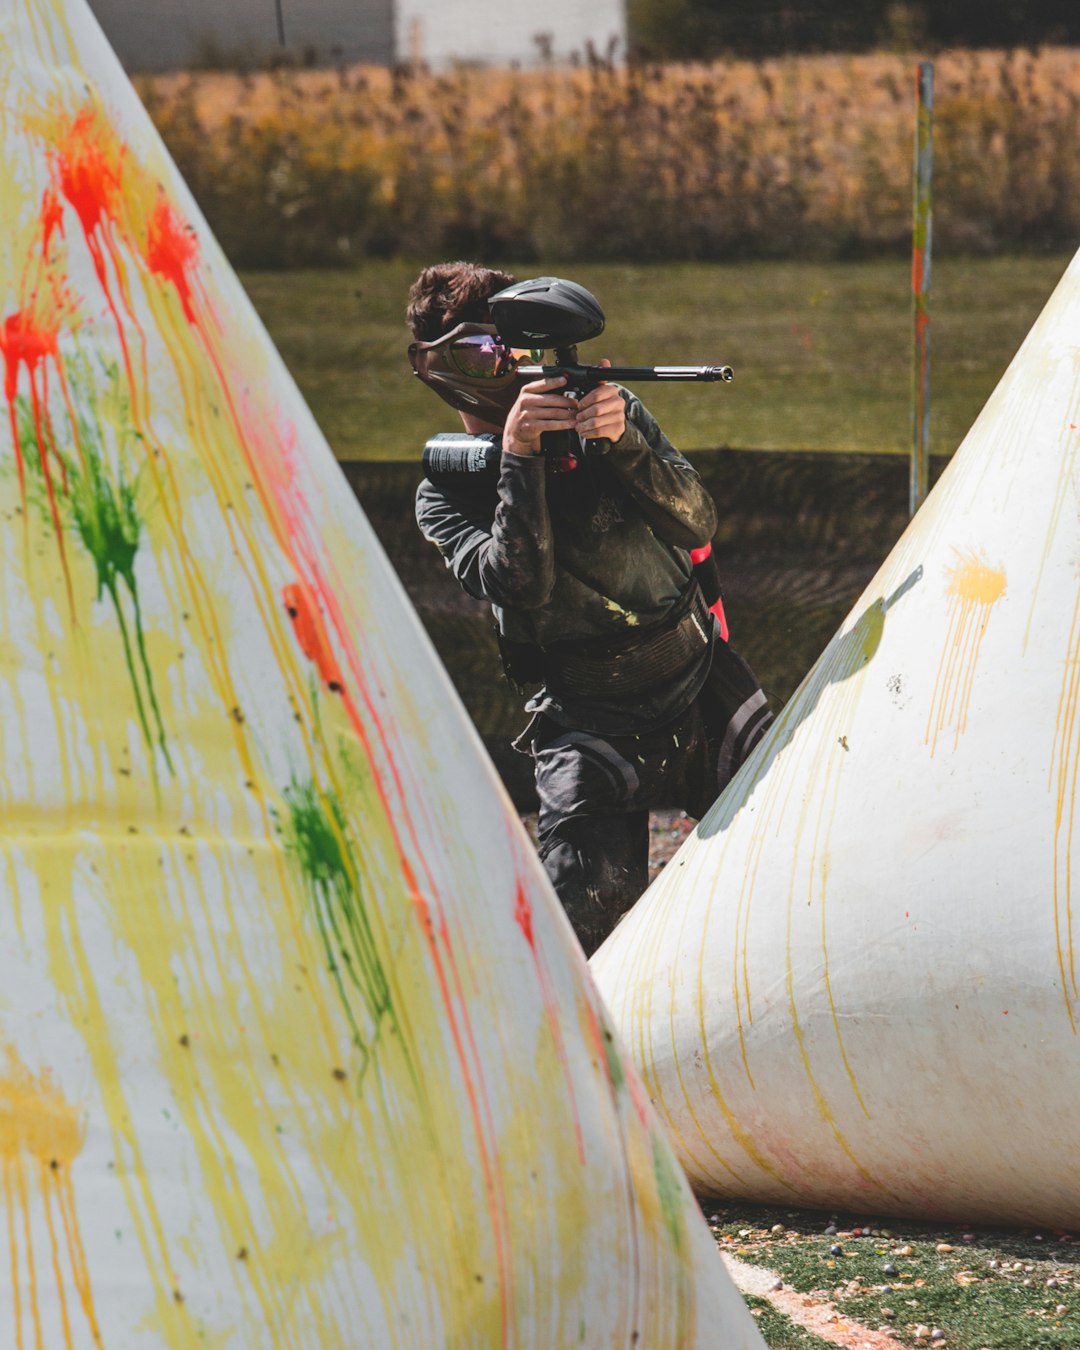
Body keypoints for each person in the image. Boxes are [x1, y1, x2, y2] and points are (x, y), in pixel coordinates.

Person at [408, 261, 773, 955]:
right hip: (587, 724)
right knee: (584, 939)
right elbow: (521, 584)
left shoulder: (610, 417)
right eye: (488, 354)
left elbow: (697, 522)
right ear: (441, 368)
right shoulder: (447, 494)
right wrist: (519, 458)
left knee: (804, 849)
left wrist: (624, 442)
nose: (513, 370)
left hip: (700, 689)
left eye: (517, 350)